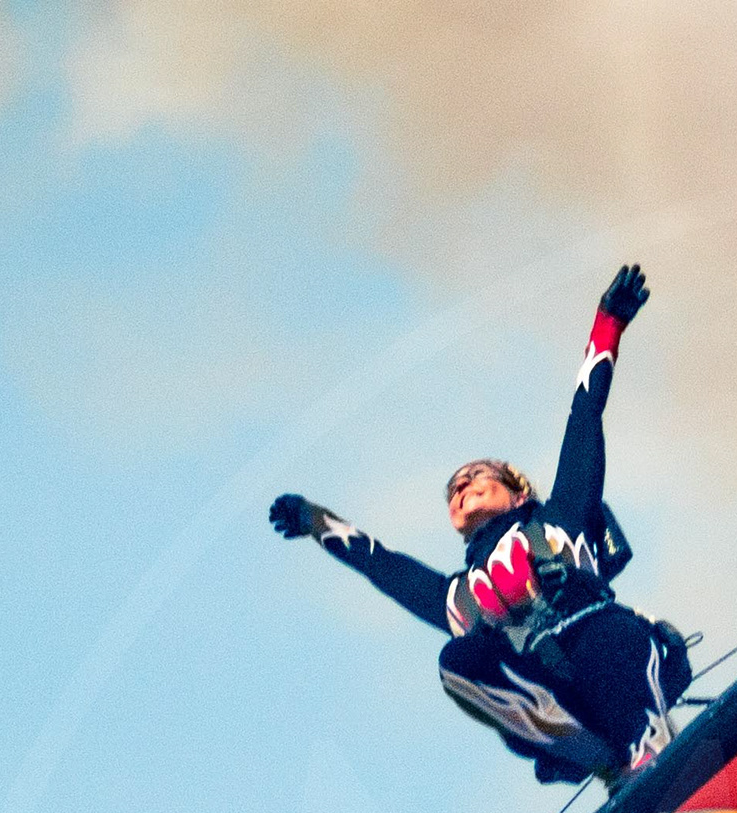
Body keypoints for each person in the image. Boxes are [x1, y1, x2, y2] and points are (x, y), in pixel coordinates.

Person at [269, 264, 692, 785]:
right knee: (458, 660)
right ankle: (595, 754)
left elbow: (584, 417)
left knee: (605, 640)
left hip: (615, 651)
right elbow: (384, 566)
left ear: (519, 491)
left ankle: (647, 743)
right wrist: (314, 520)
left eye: (477, 475)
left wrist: (608, 324)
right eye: (453, 488)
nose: (462, 485)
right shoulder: (458, 597)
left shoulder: (560, 518)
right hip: (554, 696)